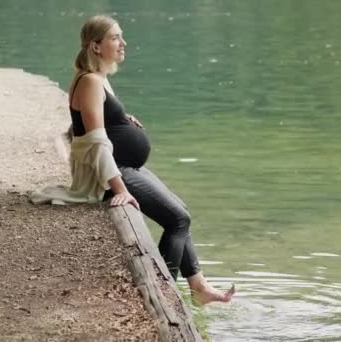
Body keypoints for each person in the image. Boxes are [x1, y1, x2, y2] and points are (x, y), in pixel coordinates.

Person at [52, 15, 233, 304]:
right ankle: (164, 294)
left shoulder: (97, 79)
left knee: (181, 211)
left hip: (125, 166)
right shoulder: (90, 82)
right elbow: (96, 142)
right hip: (112, 174)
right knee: (177, 220)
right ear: (96, 47)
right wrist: (120, 189)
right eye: (115, 38)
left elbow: (87, 124)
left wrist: (121, 119)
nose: (123, 43)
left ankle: (198, 286)